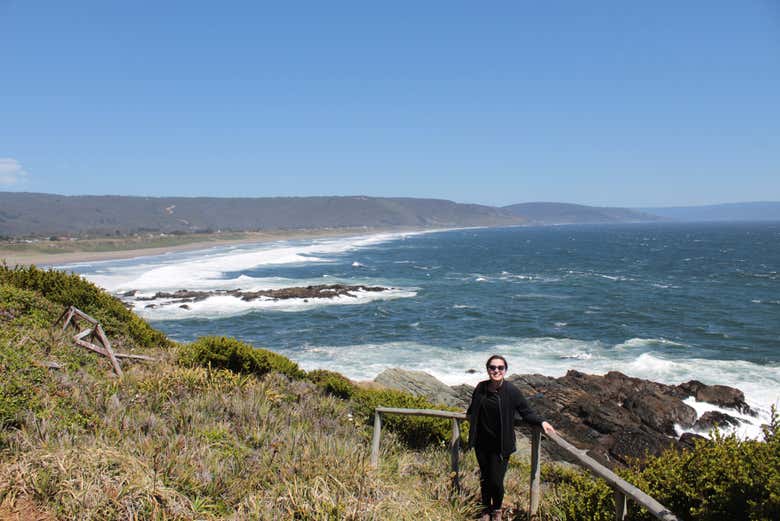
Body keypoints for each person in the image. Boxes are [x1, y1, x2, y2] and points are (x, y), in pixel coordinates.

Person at [466, 355, 555, 521]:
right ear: (488, 369)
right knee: (485, 478)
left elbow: (526, 412)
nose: (496, 371)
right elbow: (473, 408)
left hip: (501, 445)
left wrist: (541, 421)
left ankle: (497, 510)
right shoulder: (480, 387)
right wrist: (469, 416)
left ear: (505, 370)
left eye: (500, 368)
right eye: (493, 367)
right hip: (481, 443)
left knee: (497, 481)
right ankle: (485, 510)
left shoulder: (511, 391)